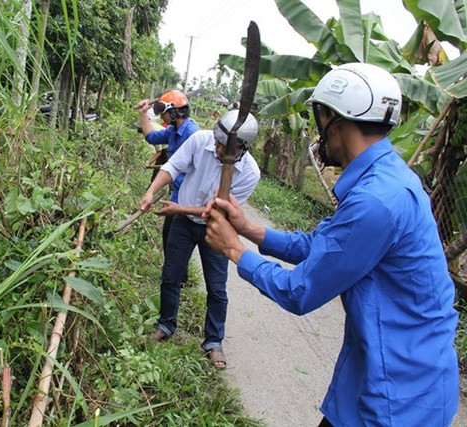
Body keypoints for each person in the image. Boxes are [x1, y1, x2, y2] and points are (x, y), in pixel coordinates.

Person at [204, 63, 459, 425]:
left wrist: (234, 249)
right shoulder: (384, 178)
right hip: (378, 375)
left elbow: (299, 290)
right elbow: (325, 246)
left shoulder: (377, 201)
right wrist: (249, 229)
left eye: (319, 119)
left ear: (334, 121)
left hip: (399, 396)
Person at [140, 110, 261, 369]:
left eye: (225, 146)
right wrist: (151, 191)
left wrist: (177, 209)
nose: (218, 148)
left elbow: (215, 210)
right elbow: (173, 166)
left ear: (242, 147)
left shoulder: (250, 173)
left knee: (217, 287)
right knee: (171, 275)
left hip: (217, 229)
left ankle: (213, 341)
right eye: (218, 142)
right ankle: (166, 324)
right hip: (183, 225)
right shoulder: (199, 140)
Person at [135, 90, 200, 283]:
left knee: (175, 238)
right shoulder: (172, 131)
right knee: (170, 236)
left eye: (164, 111)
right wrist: (143, 113)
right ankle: (179, 276)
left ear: (174, 112)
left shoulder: (193, 134)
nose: (162, 116)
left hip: (188, 198)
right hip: (176, 193)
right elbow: (151, 137)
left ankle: (176, 278)